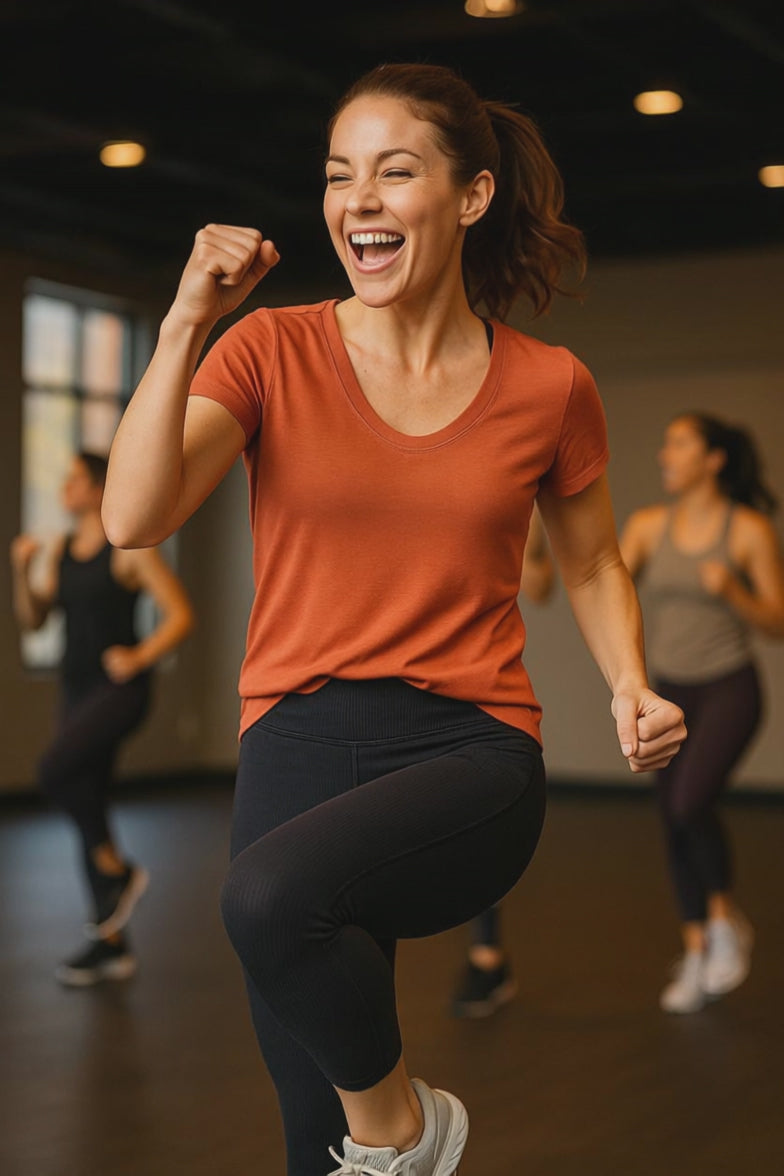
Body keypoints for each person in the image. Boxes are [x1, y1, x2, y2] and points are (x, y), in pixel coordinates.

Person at [101, 62, 685, 1176]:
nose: (356, 199)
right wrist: (183, 321)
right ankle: (379, 1146)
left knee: (268, 903)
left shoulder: (550, 385)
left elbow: (597, 555)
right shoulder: (270, 349)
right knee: (307, 1136)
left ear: (469, 196)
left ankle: (409, 1131)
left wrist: (627, 682)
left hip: (469, 752)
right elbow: (136, 515)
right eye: (337, 176)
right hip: (295, 740)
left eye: (393, 172)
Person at [10, 451, 195, 987]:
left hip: (119, 691)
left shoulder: (127, 550)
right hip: (76, 690)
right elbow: (33, 618)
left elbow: (180, 614)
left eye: (72, 479)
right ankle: (110, 941)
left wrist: (139, 657)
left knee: (54, 772)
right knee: (86, 792)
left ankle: (120, 870)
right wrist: (20, 572)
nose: (64, 489)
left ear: (95, 489)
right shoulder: (63, 552)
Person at [620, 412, 784, 1014]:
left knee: (690, 802)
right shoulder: (646, 526)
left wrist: (734, 593)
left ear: (713, 459)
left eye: (679, 443)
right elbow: (602, 584)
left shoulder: (746, 531)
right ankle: (696, 951)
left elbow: (778, 623)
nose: (666, 453)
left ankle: (723, 923)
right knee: (671, 816)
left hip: (730, 689)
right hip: (669, 690)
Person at [450, 506, 556, 1018]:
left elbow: (540, 585)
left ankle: (486, 954)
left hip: (477, 681)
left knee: (472, 819)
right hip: (396, 674)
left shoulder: (523, 503)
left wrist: (514, 556)